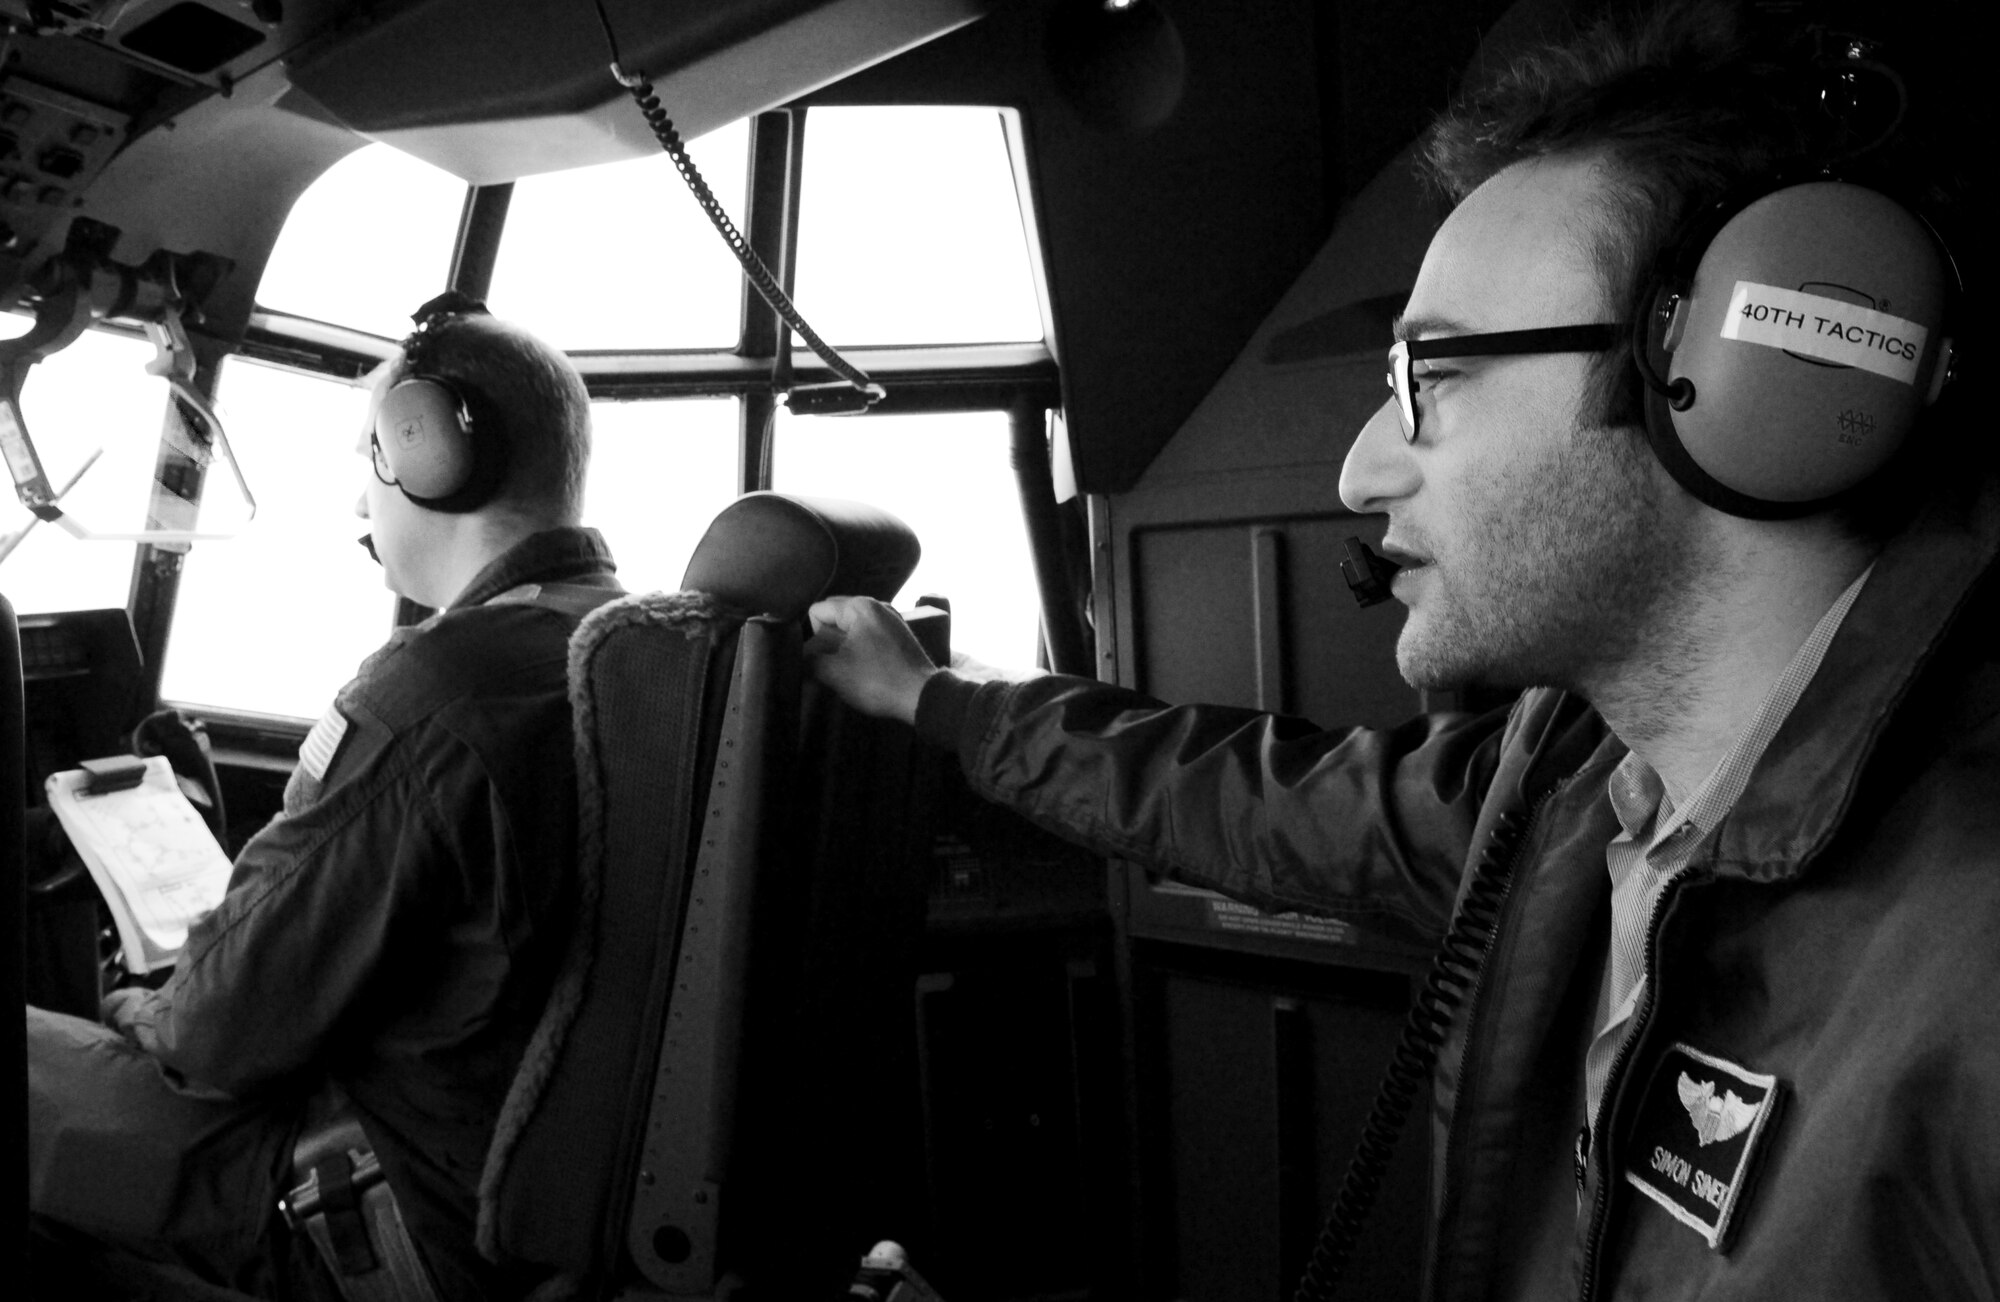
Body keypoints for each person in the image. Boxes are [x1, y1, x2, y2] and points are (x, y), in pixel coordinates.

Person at [806, 3, 1997, 1298]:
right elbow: (1254, 798)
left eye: (1433, 374)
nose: (1360, 470)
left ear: (1749, 372)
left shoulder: (1969, 971)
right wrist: (937, 700)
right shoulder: (1571, 795)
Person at [26, 296, 621, 1301]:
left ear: (432, 455)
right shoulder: (623, 647)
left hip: (395, 1215)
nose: (361, 500)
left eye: (371, 460)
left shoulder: (440, 690)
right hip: (535, 1198)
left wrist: (141, 1010)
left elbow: (215, 1038)